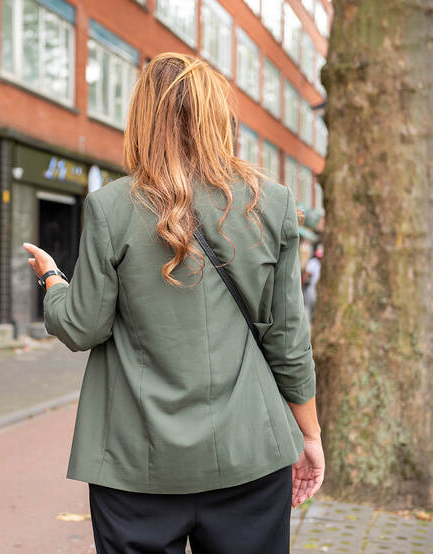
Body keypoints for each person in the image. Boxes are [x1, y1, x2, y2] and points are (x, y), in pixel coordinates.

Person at [24, 53, 324, 553]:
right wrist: (308, 435)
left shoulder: (112, 206)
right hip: (249, 453)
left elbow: (83, 327)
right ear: (217, 118)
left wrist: (54, 281)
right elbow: (288, 340)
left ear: (144, 118)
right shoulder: (270, 203)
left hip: (134, 461)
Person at [303, 245, 323, 321]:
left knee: (314, 308)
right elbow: (306, 274)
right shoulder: (313, 262)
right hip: (311, 288)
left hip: (317, 289)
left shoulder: (321, 264)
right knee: (308, 307)